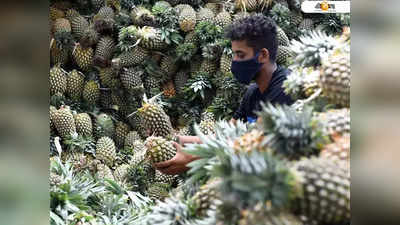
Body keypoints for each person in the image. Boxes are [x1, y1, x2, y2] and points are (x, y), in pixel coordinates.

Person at [154, 14, 294, 175]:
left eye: (240, 55)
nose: (234, 61)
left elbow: (258, 146)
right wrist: (173, 139)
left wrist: (193, 159)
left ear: (262, 55)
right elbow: (224, 136)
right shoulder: (252, 93)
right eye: (234, 54)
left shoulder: (286, 87)